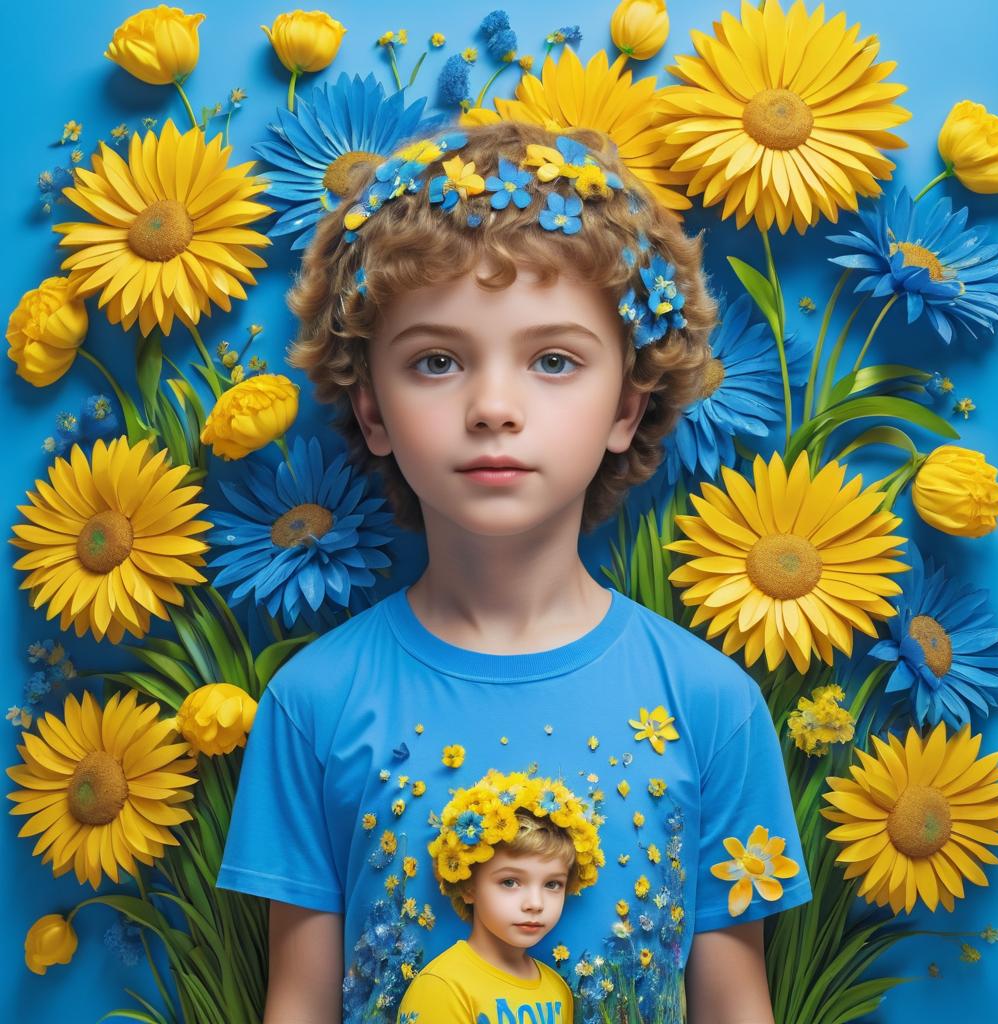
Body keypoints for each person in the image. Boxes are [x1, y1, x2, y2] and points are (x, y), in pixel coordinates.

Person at [215, 119, 814, 1024]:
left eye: (554, 360)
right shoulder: (314, 704)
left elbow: (737, 1009)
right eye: (438, 361)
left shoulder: (711, 704)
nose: (494, 407)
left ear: (628, 404)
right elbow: (296, 1007)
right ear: (373, 410)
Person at [395, 770, 598, 1022]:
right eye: (510, 882)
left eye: (552, 884)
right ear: (469, 887)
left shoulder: (558, 990)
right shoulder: (443, 987)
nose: (535, 904)